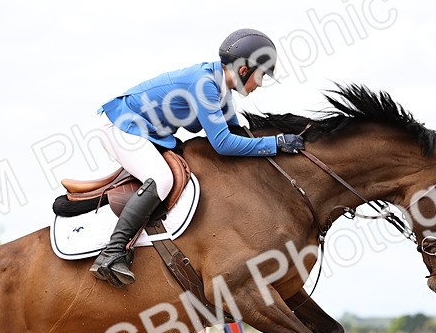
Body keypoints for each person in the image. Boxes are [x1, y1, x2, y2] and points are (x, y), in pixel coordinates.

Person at [89, 28, 306, 287]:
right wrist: (276, 143)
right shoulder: (204, 84)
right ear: (244, 70)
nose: (259, 84)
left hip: (147, 132)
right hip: (121, 127)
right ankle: (112, 253)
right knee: (162, 178)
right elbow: (223, 144)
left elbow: (237, 133)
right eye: (260, 75)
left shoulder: (222, 90)